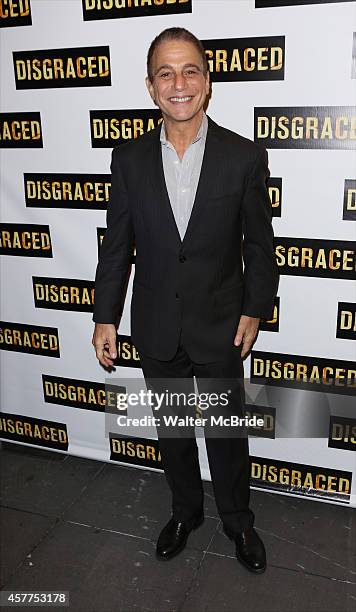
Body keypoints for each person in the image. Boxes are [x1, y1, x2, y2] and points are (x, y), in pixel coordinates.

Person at [92, 27, 279, 573]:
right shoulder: (127, 159)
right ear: (151, 87)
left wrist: (255, 306)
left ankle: (238, 522)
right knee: (172, 431)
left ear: (207, 81)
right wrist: (106, 315)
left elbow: (259, 243)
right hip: (155, 323)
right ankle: (185, 512)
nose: (179, 84)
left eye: (190, 71)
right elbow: (117, 243)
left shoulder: (243, 157)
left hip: (220, 323)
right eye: (166, 73)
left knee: (225, 433)